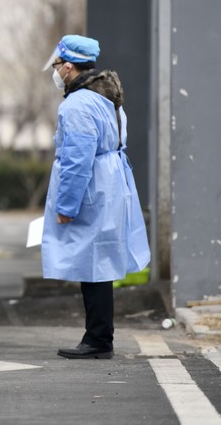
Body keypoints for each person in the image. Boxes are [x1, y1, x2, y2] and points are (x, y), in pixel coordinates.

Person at [43, 35, 150, 359]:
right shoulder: (107, 98)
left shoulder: (77, 104)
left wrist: (66, 205)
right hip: (110, 182)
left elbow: (77, 159)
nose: (56, 70)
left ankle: (98, 338)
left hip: (91, 186)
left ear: (70, 66)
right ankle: (99, 336)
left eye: (58, 65)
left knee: (92, 264)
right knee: (98, 260)